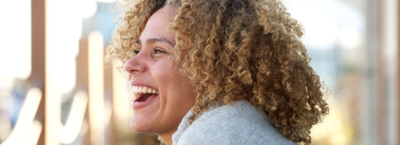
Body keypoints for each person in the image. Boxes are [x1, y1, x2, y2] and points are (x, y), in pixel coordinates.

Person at [106, 0, 329, 144]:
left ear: (213, 70)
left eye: (158, 51)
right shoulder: (234, 128)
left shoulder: (212, 137)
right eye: (137, 49)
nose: (130, 64)